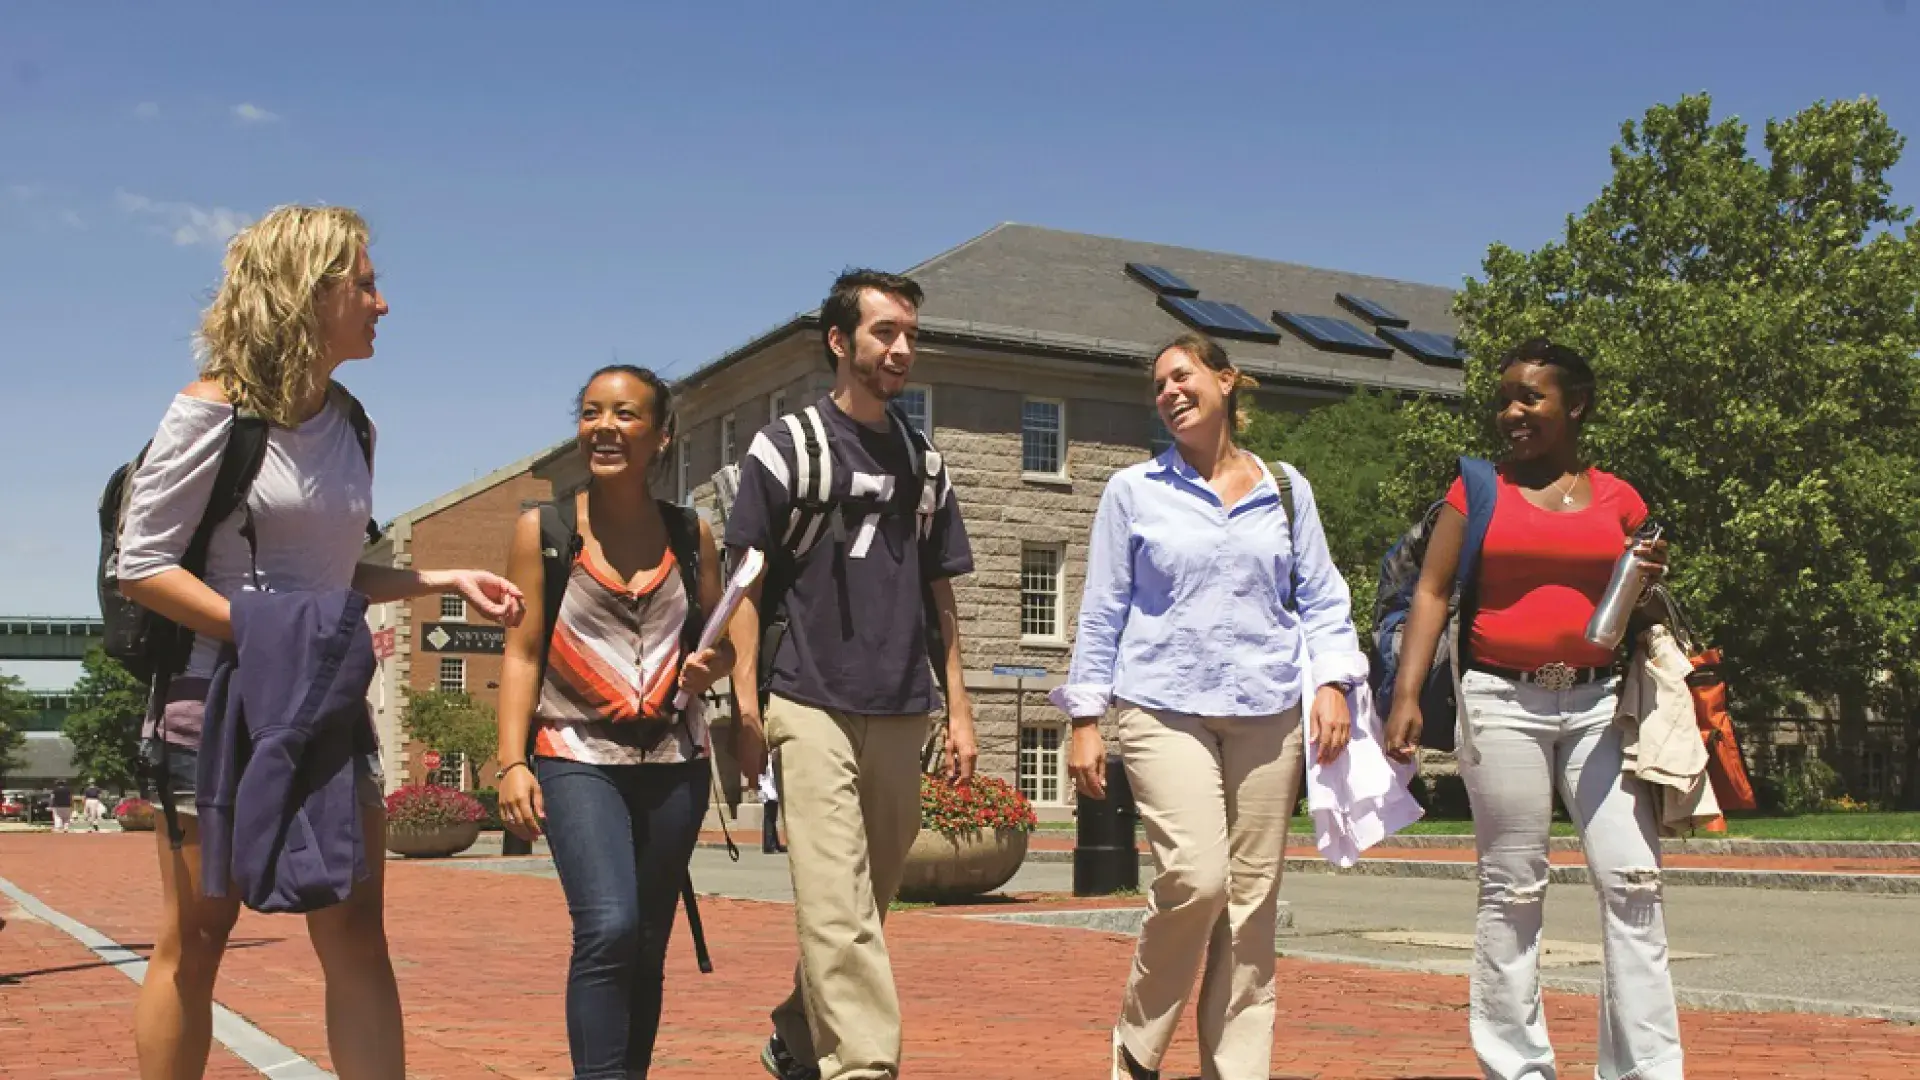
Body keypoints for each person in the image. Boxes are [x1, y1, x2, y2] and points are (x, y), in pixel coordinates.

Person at [116, 205, 524, 1080]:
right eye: (366, 285)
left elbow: (330, 578)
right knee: (197, 936)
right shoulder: (209, 413)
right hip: (209, 706)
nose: (384, 304)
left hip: (326, 712)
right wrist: (270, 635)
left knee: (356, 931)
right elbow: (141, 565)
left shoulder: (352, 424)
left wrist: (439, 581)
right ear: (308, 292)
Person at [1051, 333, 1365, 1080]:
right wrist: (1085, 718)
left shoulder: (1285, 487)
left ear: (1227, 382)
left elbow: (1322, 598)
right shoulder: (1134, 491)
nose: (1168, 392)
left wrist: (1331, 682)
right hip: (1163, 704)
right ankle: (1137, 1049)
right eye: (1158, 384)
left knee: (1252, 905)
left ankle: (1235, 1069)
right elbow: (1102, 610)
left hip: (1268, 709)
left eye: (1182, 376)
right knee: (1197, 878)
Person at [1382, 338, 1681, 1080]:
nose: (1511, 412)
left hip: (1598, 705)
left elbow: (1636, 607)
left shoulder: (1622, 499)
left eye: (1530, 398)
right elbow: (1431, 591)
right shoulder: (1475, 490)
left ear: (1573, 405)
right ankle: (1516, 1069)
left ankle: (1645, 1070)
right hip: (1500, 700)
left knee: (1634, 881)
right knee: (1513, 889)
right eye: (1505, 397)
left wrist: (1646, 578)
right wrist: (1408, 695)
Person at [727, 268, 976, 1080]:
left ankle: (796, 1038)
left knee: (865, 903)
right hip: (809, 696)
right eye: (883, 333)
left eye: (909, 334)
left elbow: (941, 593)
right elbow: (746, 585)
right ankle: (864, 1066)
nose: (901, 349)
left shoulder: (924, 462)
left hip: (903, 703)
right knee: (834, 901)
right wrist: (744, 707)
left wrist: (961, 709)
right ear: (840, 341)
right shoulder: (786, 447)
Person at [492, 364, 732, 1080]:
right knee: (608, 928)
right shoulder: (546, 532)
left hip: (675, 763)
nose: (605, 427)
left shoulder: (693, 535)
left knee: (649, 940)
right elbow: (523, 651)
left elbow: (717, 641)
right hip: (573, 755)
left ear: (661, 435)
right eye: (592, 412)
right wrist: (511, 762)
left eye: (626, 415)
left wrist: (708, 671)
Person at [760, 756, 786, 855]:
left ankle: (775, 843)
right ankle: (769, 845)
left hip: (771, 789)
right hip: (768, 789)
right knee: (769, 817)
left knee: (772, 818)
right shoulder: (767, 759)